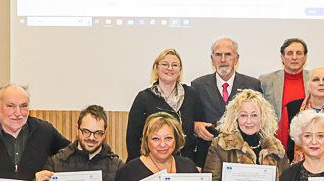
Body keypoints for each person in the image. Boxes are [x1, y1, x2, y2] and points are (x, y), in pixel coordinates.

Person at [190, 37, 262, 166]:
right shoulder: (197, 85)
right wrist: (195, 125)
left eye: (228, 54)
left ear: (236, 58)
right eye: (218, 55)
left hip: (242, 156)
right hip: (207, 156)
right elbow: (191, 118)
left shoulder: (252, 85)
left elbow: (261, 120)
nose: (223, 60)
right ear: (212, 59)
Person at [126, 48, 200, 160]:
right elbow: (132, 138)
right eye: (165, 64)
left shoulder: (191, 95)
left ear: (180, 70)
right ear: (156, 69)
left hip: (185, 164)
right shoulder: (143, 98)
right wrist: (141, 165)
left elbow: (202, 132)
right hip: (152, 164)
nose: (170, 68)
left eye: (175, 65)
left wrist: (198, 165)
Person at [259, 37, 309, 118]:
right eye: (290, 53)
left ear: (305, 57)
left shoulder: (315, 79)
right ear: (282, 57)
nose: (294, 57)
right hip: (276, 130)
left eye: (299, 53)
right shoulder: (266, 80)